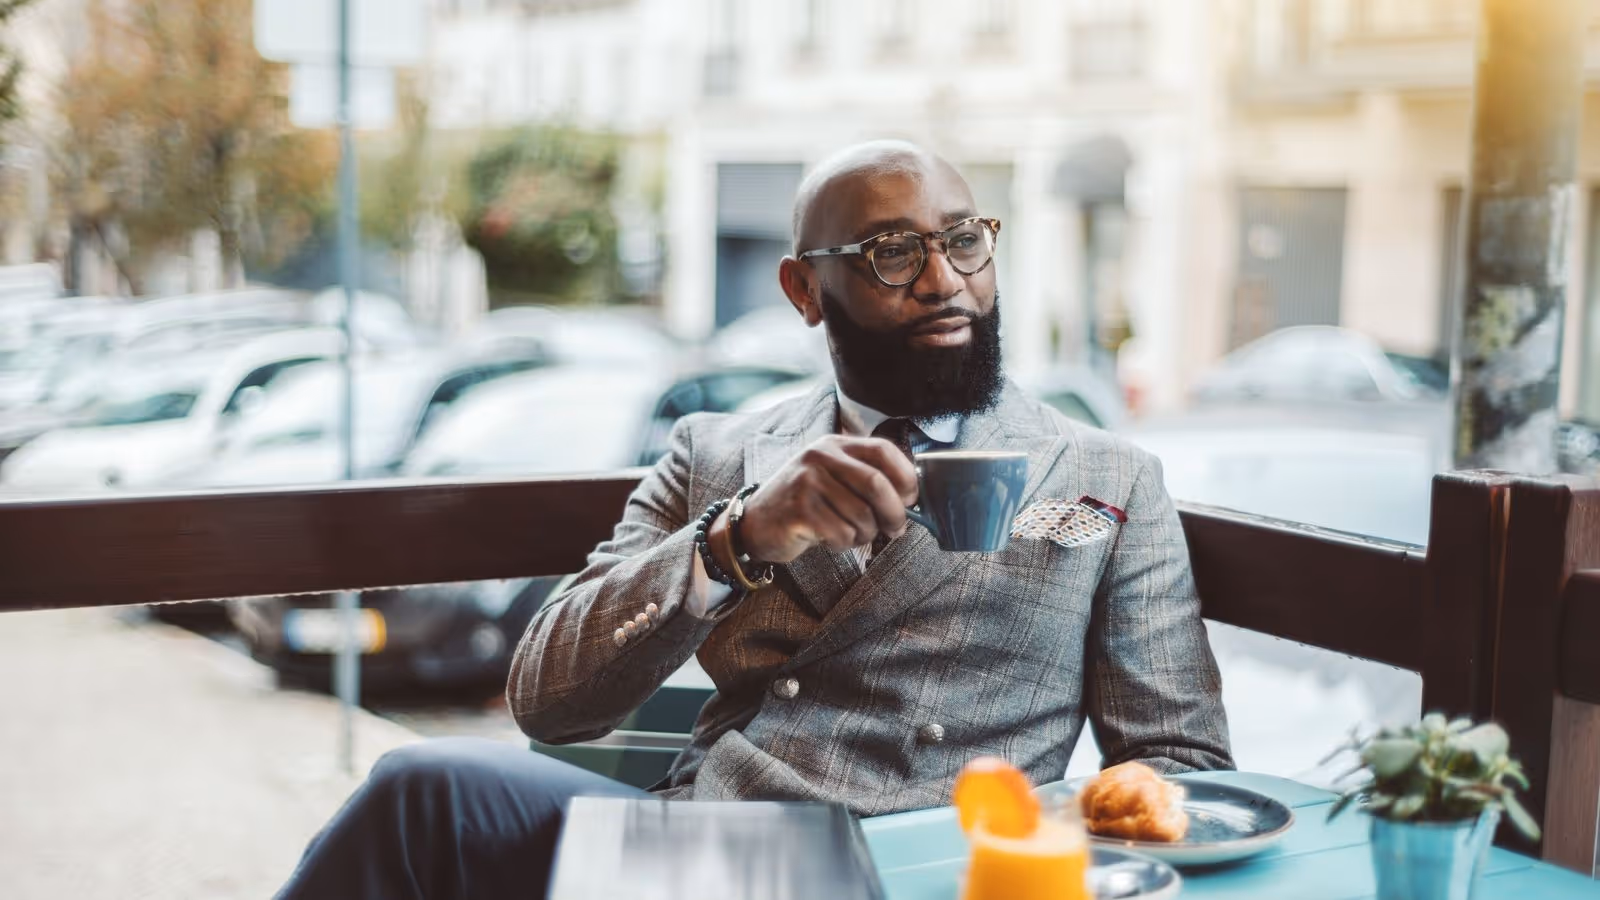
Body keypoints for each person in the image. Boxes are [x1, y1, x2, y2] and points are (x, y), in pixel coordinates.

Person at [275, 140, 1231, 900]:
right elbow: (549, 701)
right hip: (710, 848)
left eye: (964, 240)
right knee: (422, 791)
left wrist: (1053, 834)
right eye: (893, 252)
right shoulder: (719, 455)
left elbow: (1179, 761)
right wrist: (732, 542)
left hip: (928, 867)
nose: (945, 281)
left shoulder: (1109, 475)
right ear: (804, 291)